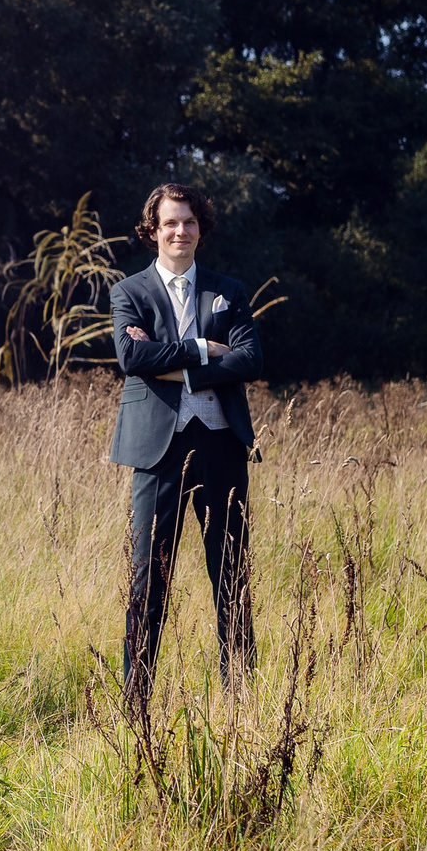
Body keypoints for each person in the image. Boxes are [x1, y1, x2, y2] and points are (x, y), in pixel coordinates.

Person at [108, 182, 263, 725]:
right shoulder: (129, 291)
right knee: (150, 577)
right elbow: (131, 355)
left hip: (222, 445)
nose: (181, 231)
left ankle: (243, 702)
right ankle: (137, 704)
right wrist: (200, 349)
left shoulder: (228, 289)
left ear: (202, 227)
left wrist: (168, 362)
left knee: (232, 575)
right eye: (170, 222)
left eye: (190, 222)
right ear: (152, 229)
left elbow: (249, 359)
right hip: (157, 452)